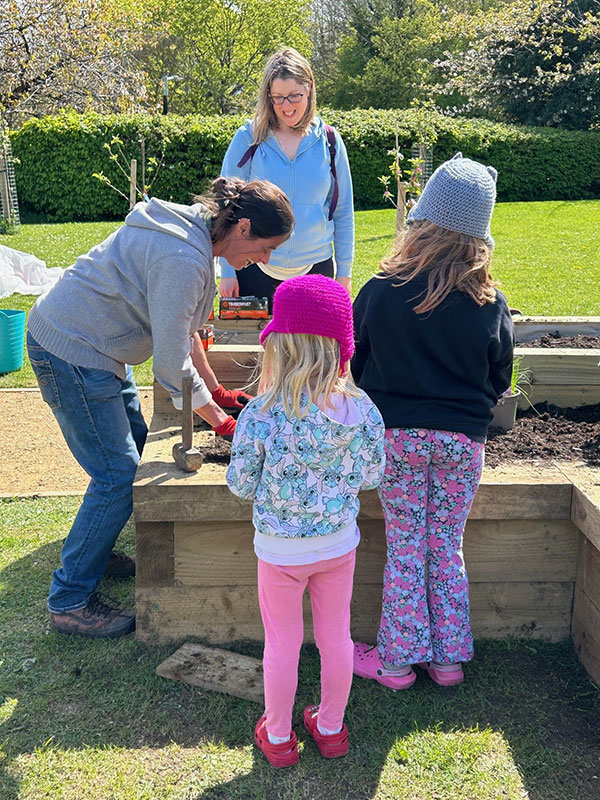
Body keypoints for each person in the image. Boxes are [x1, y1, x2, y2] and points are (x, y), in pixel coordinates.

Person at [26, 177, 294, 638]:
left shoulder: (196, 237)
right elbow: (170, 367)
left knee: (130, 455)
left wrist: (217, 391)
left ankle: (94, 548)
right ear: (243, 227)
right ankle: (68, 600)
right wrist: (222, 423)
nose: (265, 260)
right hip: (72, 349)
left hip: (100, 347)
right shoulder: (182, 259)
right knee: (117, 476)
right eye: (266, 247)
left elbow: (184, 332)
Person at [351, 153, 515, 689]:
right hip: (462, 441)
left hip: (397, 437)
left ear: (422, 218)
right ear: (480, 235)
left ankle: (397, 663)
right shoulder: (490, 302)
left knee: (405, 546)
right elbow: (500, 377)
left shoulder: (380, 290)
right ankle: (447, 661)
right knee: (445, 545)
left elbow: (356, 361)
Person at [226, 274, 385, 767]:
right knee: (337, 638)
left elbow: (240, 484)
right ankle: (331, 729)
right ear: (342, 347)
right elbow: (371, 476)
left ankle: (278, 736)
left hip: (279, 552)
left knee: (282, 644)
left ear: (278, 344)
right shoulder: (363, 410)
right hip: (337, 545)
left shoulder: (261, 413)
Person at [219, 47, 354, 310]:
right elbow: (225, 206)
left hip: (316, 270)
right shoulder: (248, 138)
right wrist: (227, 270)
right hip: (255, 268)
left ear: (309, 88)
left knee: (312, 340)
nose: (286, 106)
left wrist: (344, 272)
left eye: (294, 96)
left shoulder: (329, 141)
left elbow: (343, 211)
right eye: (278, 98)